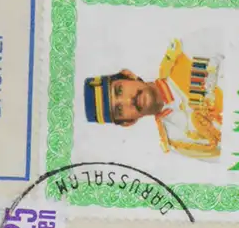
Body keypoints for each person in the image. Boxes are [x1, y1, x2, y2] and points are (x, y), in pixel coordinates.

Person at [83, 41, 223, 159]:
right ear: (128, 122)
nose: (128, 101)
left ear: (129, 75)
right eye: (119, 109)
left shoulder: (181, 54)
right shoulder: (177, 140)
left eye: (119, 90)